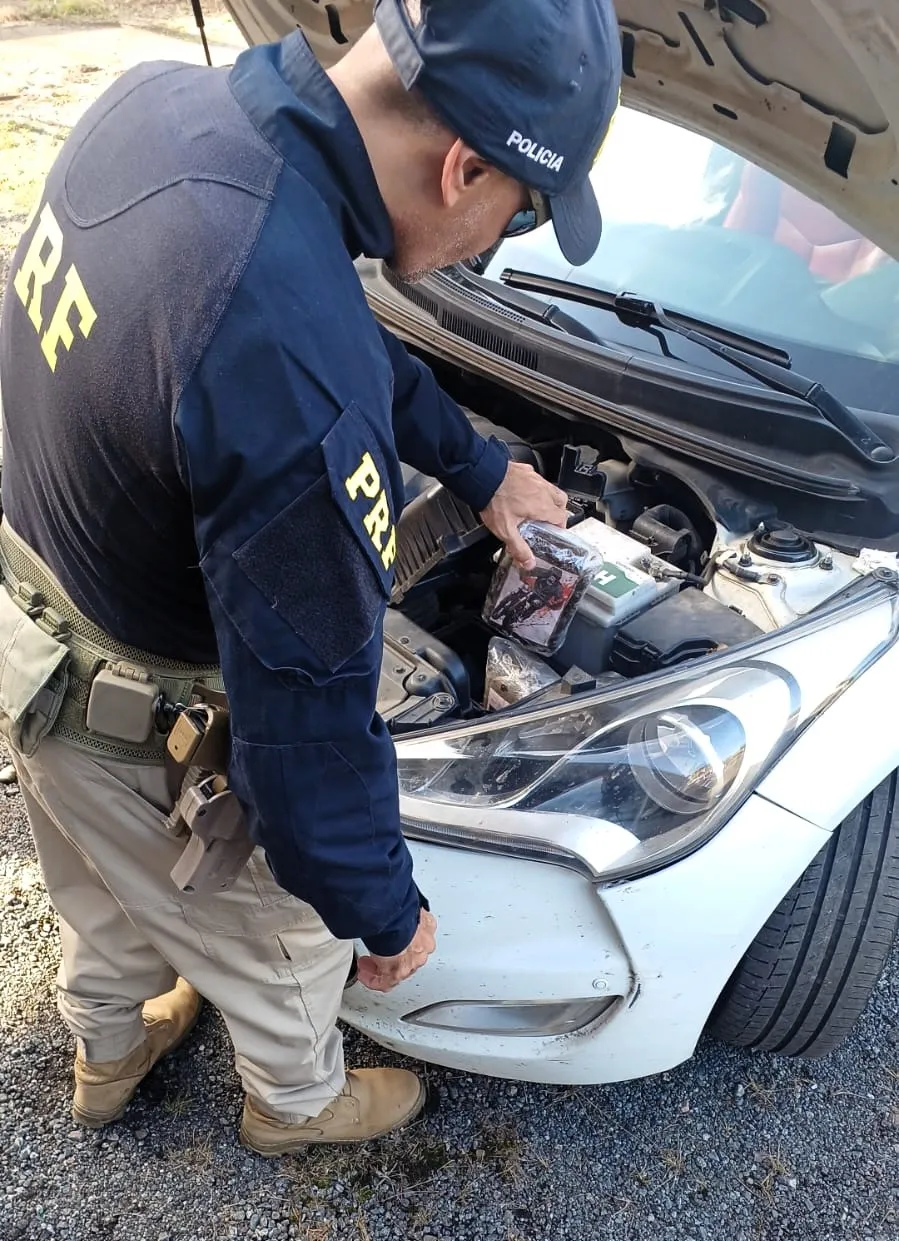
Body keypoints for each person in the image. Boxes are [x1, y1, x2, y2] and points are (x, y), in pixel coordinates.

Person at [0, 0, 622, 1154]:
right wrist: (378, 911)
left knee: (96, 882)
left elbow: (307, 317)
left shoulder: (154, 109)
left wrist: (479, 466)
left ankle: (111, 1045)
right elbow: (305, 743)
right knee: (285, 942)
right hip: (140, 716)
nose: (492, 244)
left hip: (33, 629)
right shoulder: (287, 367)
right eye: (519, 217)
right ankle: (296, 1104)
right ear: (465, 166)